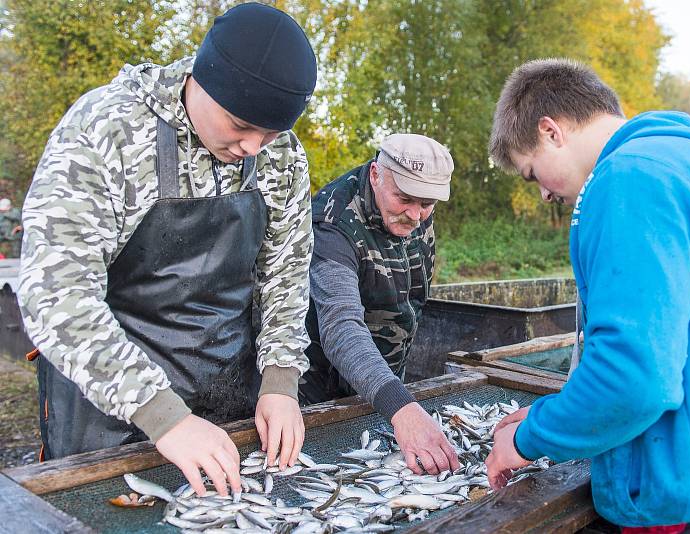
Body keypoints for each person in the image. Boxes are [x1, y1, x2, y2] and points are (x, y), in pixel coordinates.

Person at [485, 58, 690, 532]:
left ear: (551, 131)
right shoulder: (686, 161)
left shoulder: (630, 177)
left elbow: (635, 376)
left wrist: (529, 438)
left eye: (532, 174)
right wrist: (559, 411)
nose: (545, 196)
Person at [17, 3, 316, 498]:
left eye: (271, 132)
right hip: (107, 407)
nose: (253, 147)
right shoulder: (106, 128)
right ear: (204, 79)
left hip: (223, 391)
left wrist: (281, 381)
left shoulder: (280, 156)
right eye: (240, 124)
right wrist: (164, 415)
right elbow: (56, 294)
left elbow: (286, 273)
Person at [299, 134, 460, 475]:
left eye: (428, 204)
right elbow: (341, 327)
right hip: (321, 393)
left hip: (385, 384)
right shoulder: (332, 224)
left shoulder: (413, 207)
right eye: (404, 198)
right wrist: (401, 407)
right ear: (375, 174)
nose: (416, 215)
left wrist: (395, 400)